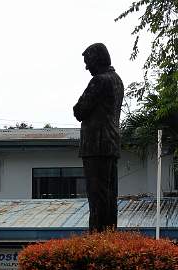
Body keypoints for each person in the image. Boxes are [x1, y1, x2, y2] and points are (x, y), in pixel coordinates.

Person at [73, 43, 124, 231]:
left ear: (97, 60)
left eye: (88, 62)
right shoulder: (117, 80)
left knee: (96, 198)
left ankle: (97, 239)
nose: (87, 67)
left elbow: (79, 110)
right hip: (111, 145)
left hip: (96, 145)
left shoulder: (99, 81)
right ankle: (109, 235)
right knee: (110, 196)